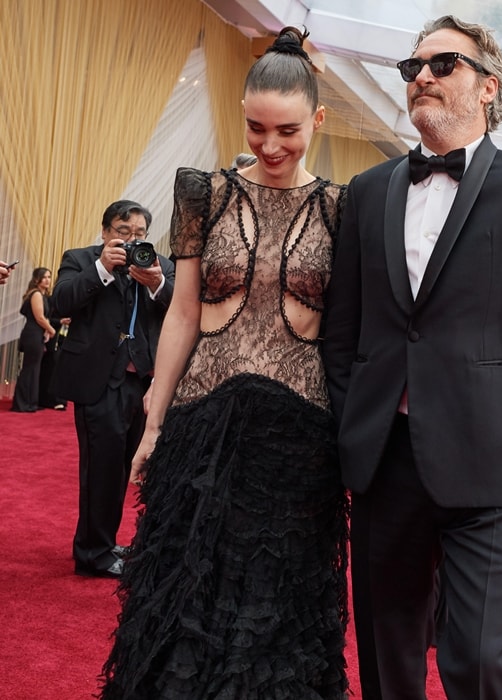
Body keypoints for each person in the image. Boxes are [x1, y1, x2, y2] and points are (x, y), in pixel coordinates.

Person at [322, 15, 502, 700]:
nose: (421, 75)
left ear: (488, 87)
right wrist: (351, 425)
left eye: (443, 64)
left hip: (498, 466)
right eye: (412, 66)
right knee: (388, 655)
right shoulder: (367, 192)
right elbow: (343, 333)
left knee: (478, 659)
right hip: (385, 461)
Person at [99, 27, 349, 699]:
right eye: (256, 127)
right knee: (184, 591)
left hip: (299, 437)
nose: (270, 145)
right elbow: (182, 312)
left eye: (288, 131)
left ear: (318, 120)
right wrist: (154, 420)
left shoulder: (342, 209)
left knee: (274, 604)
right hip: (202, 424)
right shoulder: (199, 193)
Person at [52, 201, 175, 578]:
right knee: (101, 469)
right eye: (123, 232)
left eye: (139, 234)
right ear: (105, 232)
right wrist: (103, 268)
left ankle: (103, 542)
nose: (131, 240)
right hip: (99, 381)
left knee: (125, 468)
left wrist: (156, 284)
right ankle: (92, 553)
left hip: (144, 384)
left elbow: (183, 311)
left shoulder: (160, 265)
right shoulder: (80, 259)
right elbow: (60, 303)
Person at [10, 267, 56, 412]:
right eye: (45, 277)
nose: (48, 280)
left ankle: (30, 402)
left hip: (36, 333)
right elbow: (40, 318)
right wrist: (51, 329)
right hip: (32, 333)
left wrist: (46, 331)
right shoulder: (36, 294)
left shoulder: (41, 295)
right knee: (30, 368)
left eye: (49, 277)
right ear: (37, 279)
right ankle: (23, 403)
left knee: (34, 369)